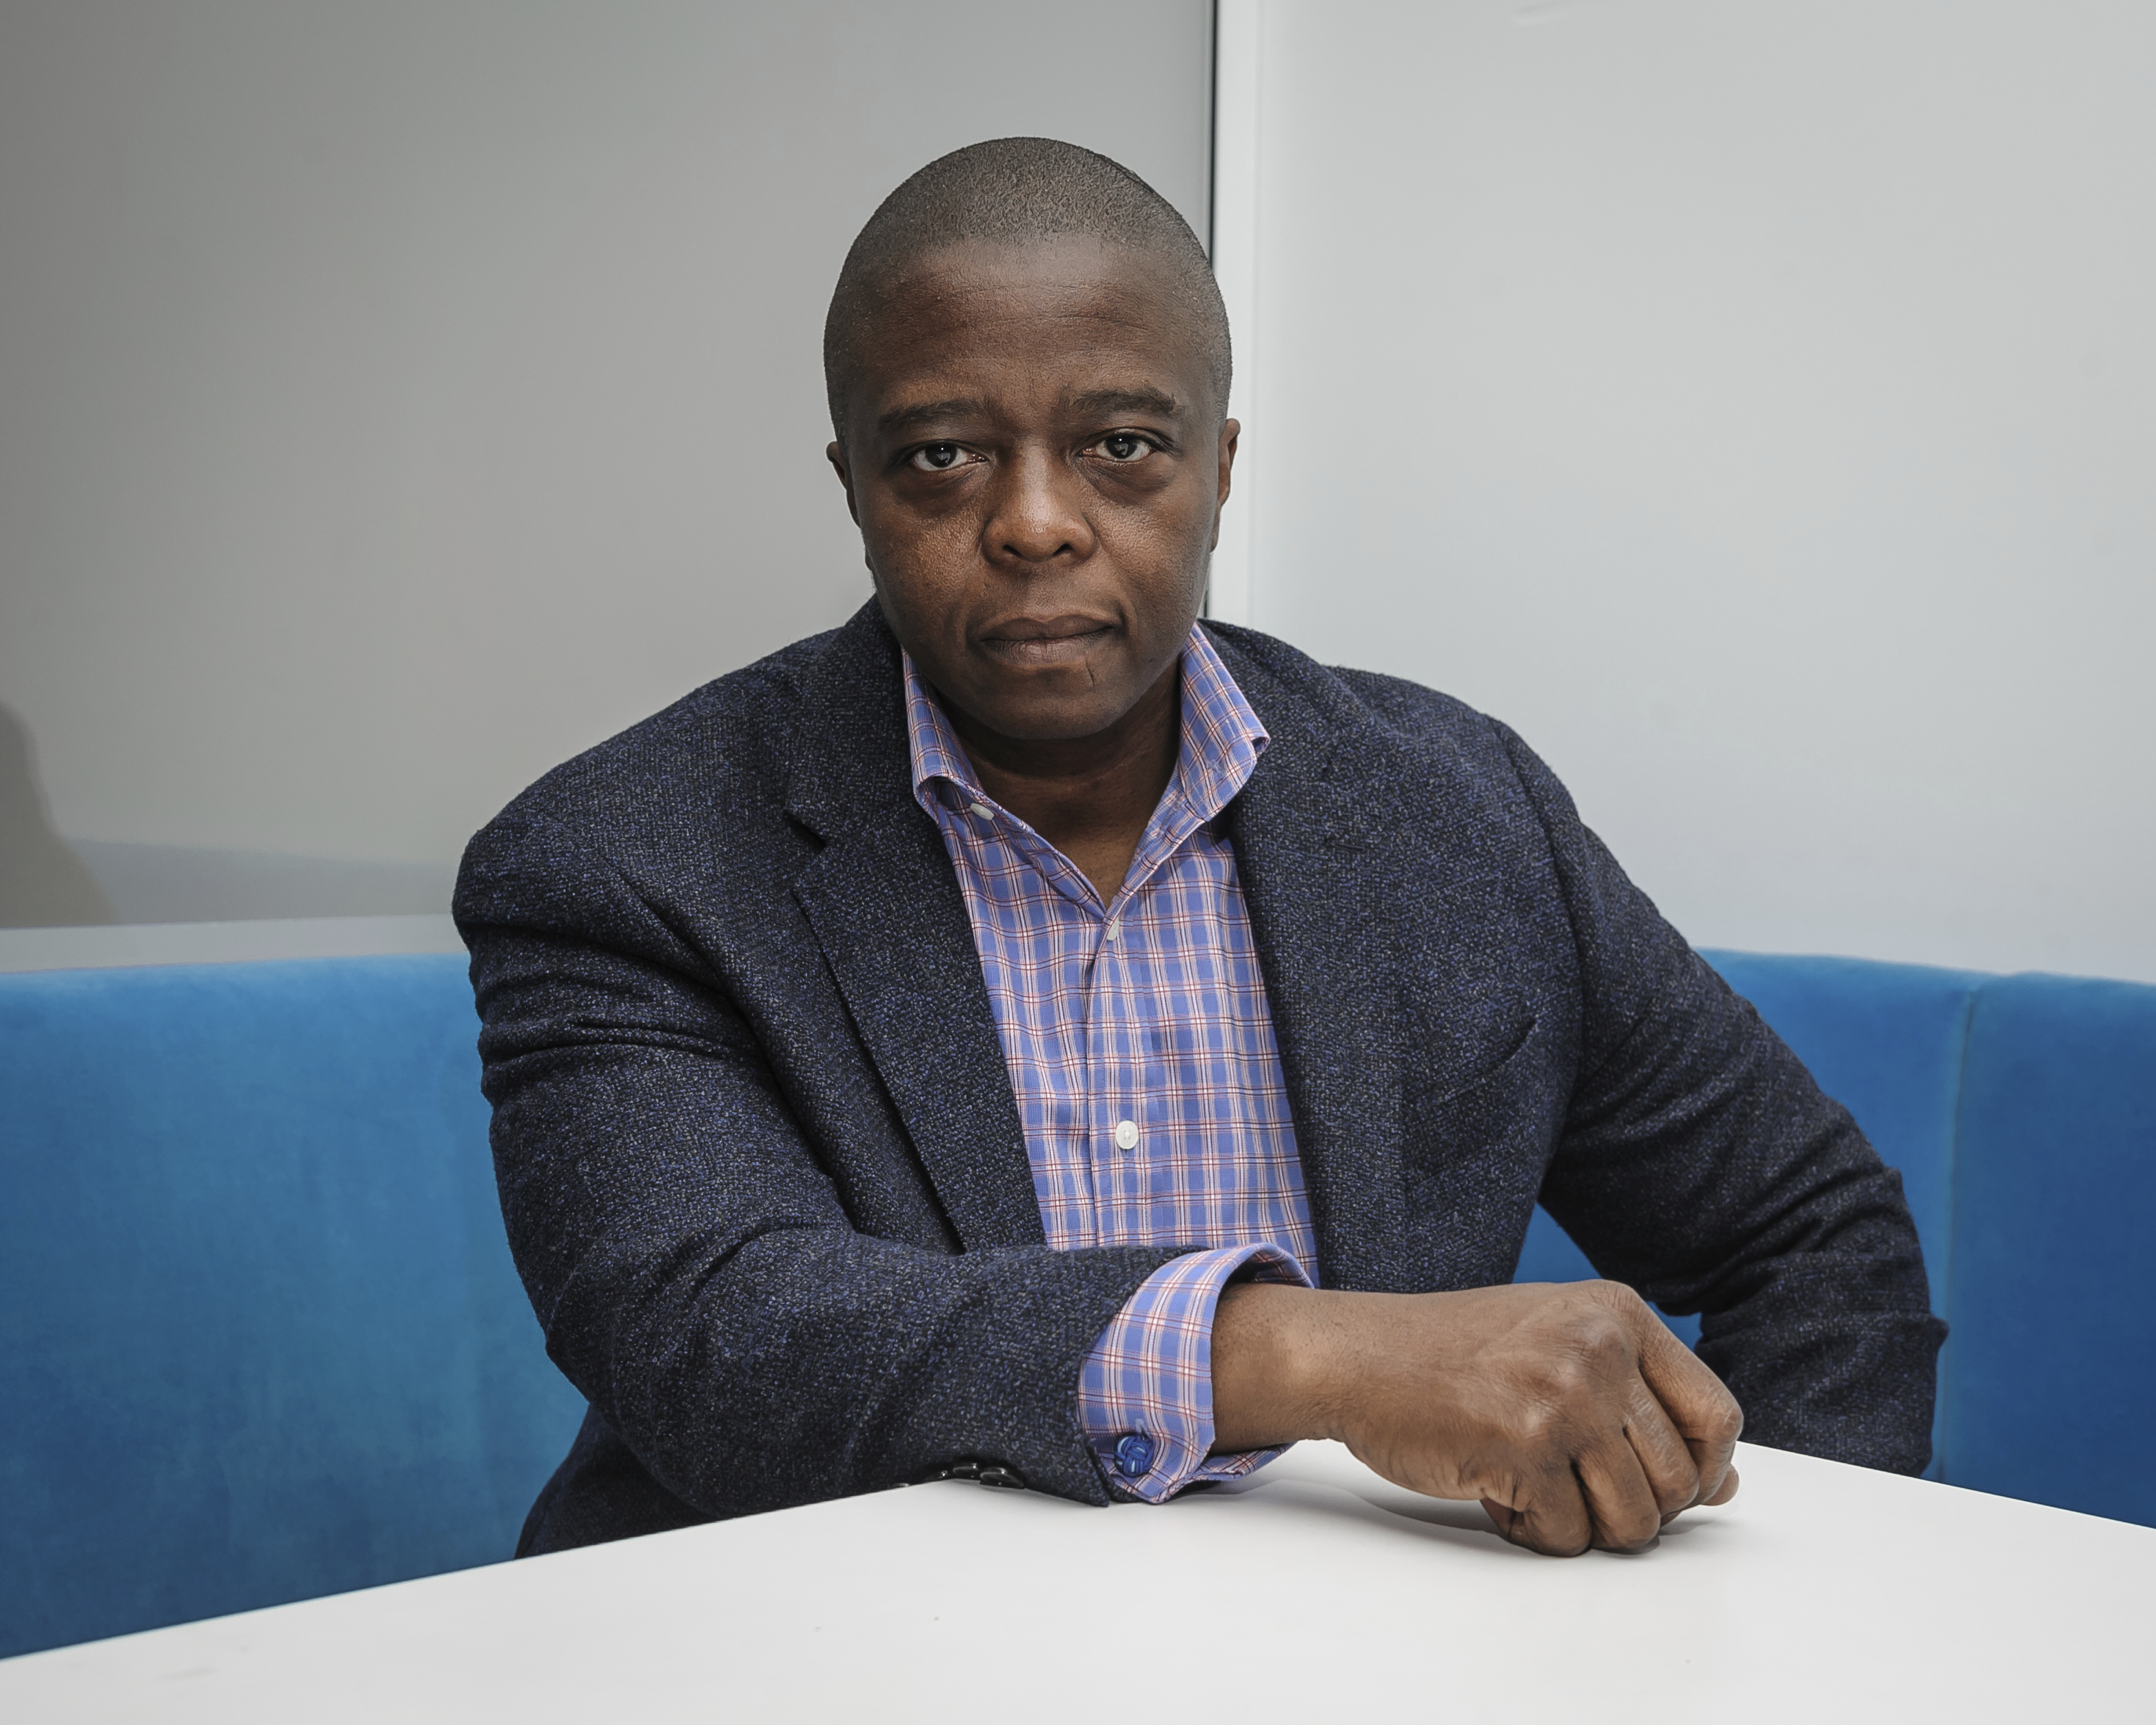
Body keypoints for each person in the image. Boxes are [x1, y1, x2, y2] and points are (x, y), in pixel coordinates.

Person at [455, 137, 1944, 1561]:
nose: (1036, 523)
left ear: (1219, 466)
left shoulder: (1462, 811)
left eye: (1121, 446)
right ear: (854, 482)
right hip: (826, 1661)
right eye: (942, 456)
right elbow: (719, 1336)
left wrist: (1728, 1605)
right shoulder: (625, 862)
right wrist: (1318, 1357)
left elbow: (1812, 1234)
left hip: (1374, 1665)